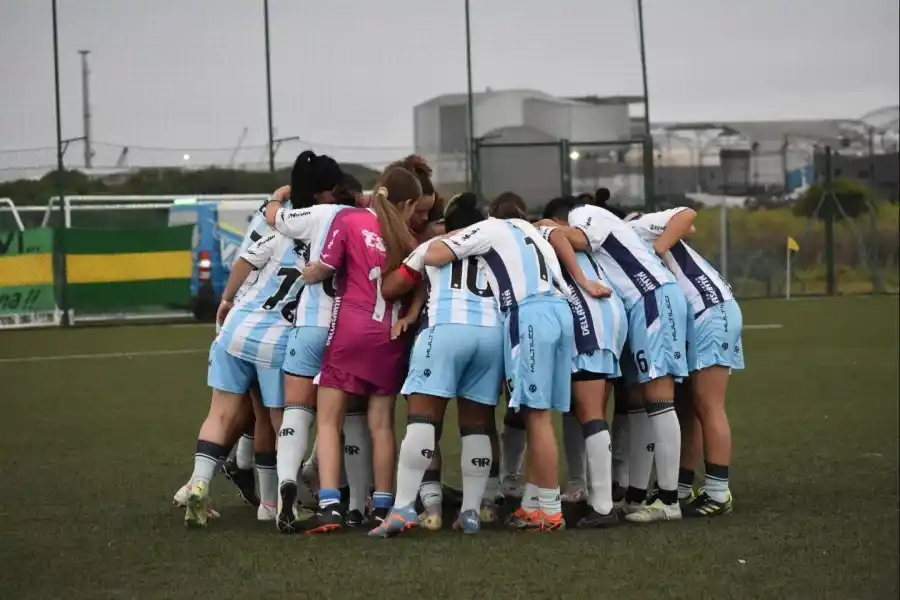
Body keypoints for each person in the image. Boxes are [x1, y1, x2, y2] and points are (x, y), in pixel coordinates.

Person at [422, 192, 605, 531]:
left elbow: (434, 255)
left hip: (530, 314)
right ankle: (536, 504)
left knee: (536, 417)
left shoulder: (491, 229)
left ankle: (549, 512)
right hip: (561, 312)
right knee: (541, 415)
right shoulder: (532, 230)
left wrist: (446, 237)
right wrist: (582, 281)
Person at [368, 193, 503, 537]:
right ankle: (471, 511)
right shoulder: (497, 247)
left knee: (423, 419)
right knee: (477, 423)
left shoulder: (437, 243)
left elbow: (391, 288)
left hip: (445, 328)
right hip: (491, 334)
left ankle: (401, 509)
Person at [299, 166, 422, 534]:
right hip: (389, 337)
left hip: (351, 331)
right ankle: (384, 506)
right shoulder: (407, 240)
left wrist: (304, 272)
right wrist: (410, 317)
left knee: (329, 421)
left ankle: (331, 506)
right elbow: (421, 284)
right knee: (382, 425)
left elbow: (326, 268)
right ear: (409, 203)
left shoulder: (351, 219)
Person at [550, 201, 689, 523]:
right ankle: (638, 495)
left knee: (659, 398)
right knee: (643, 403)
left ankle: (669, 501)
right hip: (641, 305)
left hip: (651, 297)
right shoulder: (619, 229)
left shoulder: (583, 212)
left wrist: (548, 230)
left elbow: (581, 239)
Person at [260, 152, 363, 533]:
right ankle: (353, 502)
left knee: (297, 410)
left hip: (310, 325)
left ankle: (287, 481)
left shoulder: (311, 217)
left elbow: (276, 217)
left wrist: (278, 195)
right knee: (349, 418)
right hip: (349, 327)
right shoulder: (361, 217)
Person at [626, 208, 743, 516]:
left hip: (709, 310)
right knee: (686, 406)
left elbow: (686, 215)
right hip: (698, 315)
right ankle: (680, 486)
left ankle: (719, 493)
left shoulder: (635, 227)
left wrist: (659, 249)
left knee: (708, 405)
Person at [538, 196, 628, 528]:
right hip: (610, 313)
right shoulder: (590, 242)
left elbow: (556, 234)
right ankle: (592, 493)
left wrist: (541, 226)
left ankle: (603, 507)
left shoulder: (551, 231)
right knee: (588, 411)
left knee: (590, 413)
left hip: (588, 313)